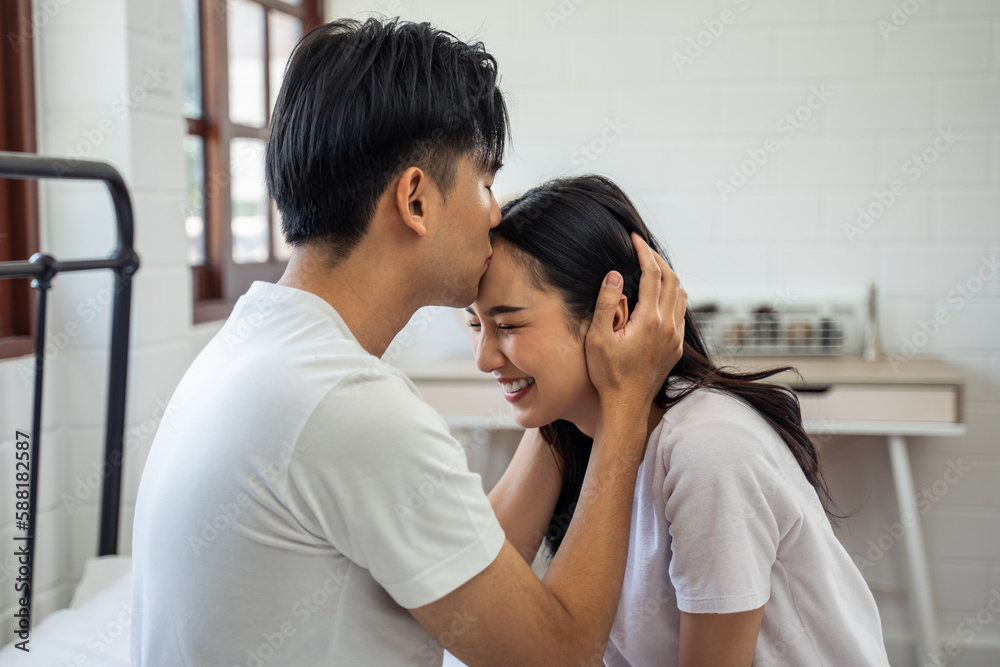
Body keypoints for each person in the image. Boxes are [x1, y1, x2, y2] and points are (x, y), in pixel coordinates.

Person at [130, 18, 687, 667]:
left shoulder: (256, 348)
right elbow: (558, 653)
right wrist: (623, 405)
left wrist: (564, 388)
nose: (495, 212)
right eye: (483, 183)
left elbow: (469, 567)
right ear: (417, 199)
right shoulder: (347, 404)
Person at [468, 175, 892, 666]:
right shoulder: (580, 431)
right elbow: (481, 587)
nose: (483, 358)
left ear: (616, 315)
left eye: (509, 324)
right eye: (475, 325)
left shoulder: (708, 449)